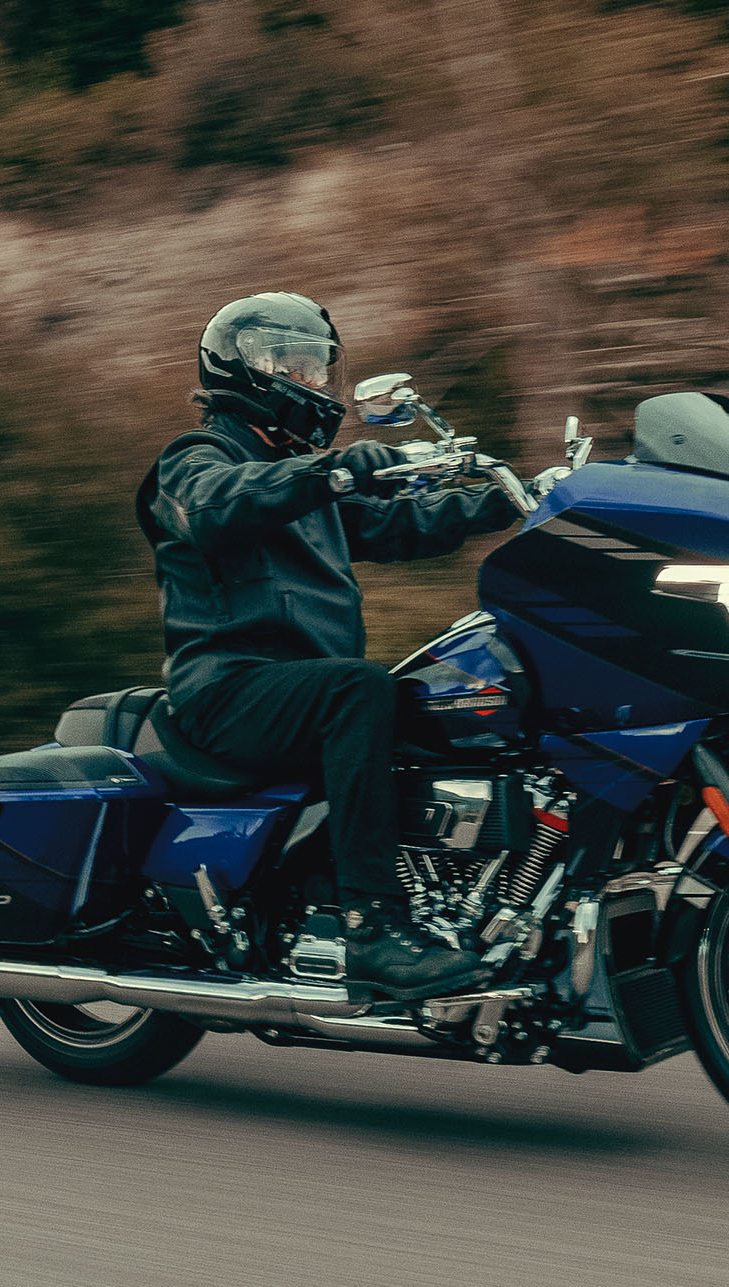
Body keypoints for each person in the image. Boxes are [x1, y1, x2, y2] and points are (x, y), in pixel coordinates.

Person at [135, 292, 520, 999]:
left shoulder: (309, 486)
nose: (316, 386)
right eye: (299, 369)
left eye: (319, 370)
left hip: (299, 690)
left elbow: (402, 523)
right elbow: (219, 506)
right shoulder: (195, 461)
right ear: (249, 373)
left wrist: (518, 496)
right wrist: (337, 469)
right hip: (228, 689)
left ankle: (443, 899)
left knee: (452, 696)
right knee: (359, 689)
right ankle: (372, 926)